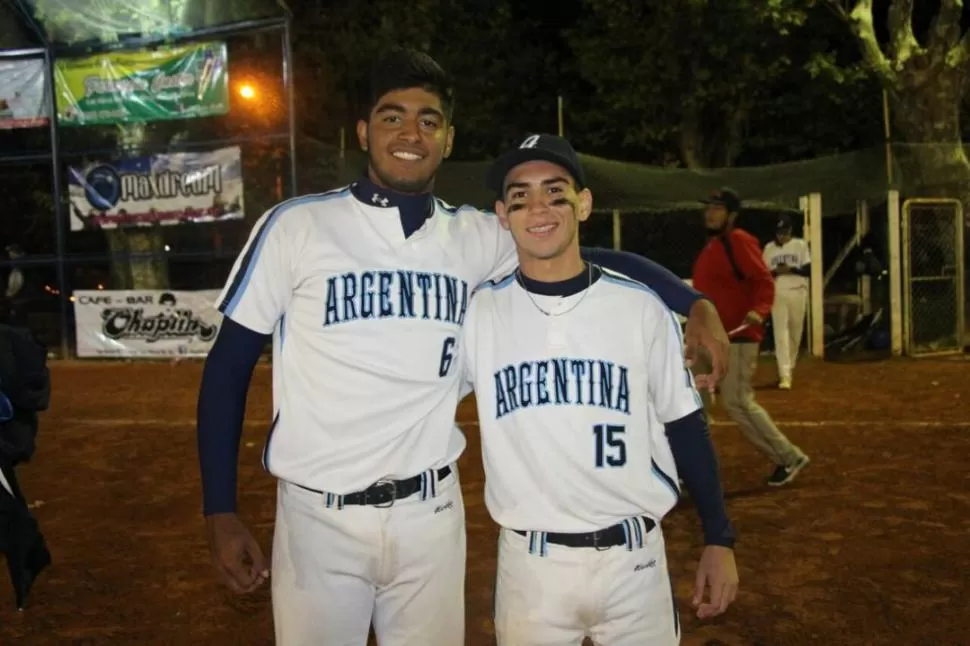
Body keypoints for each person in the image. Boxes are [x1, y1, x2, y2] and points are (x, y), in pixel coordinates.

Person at [196, 47, 730, 645]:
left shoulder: (476, 236)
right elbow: (228, 369)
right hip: (318, 519)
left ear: (448, 139)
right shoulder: (296, 228)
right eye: (392, 116)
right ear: (364, 131)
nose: (410, 133)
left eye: (429, 120)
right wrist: (219, 508)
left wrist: (693, 302)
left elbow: (581, 258)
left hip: (431, 516)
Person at [462, 135, 738, 645]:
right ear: (502, 215)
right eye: (520, 197)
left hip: (634, 564)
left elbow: (684, 424)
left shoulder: (639, 307)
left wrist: (719, 537)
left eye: (555, 192)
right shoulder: (477, 314)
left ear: (584, 203)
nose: (538, 208)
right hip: (530, 568)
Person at [692, 188, 810, 487]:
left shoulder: (739, 242)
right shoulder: (712, 247)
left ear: (731, 215)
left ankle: (788, 457)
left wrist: (758, 311)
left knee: (737, 402)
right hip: (710, 337)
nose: (710, 213)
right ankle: (692, 466)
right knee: (692, 400)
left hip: (738, 337)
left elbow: (764, 282)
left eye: (718, 208)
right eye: (709, 207)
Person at [762, 214, 810, 389]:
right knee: (780, 333)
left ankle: (789, 367)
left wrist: (791, 269)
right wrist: (777, 271)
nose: (781, 235)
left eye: (784, 231)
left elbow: (807, 269)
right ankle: (785, 374)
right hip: (778, 292)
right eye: (778, 232)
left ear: (790, 230)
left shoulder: (800, 245)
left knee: (795, 332)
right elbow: (764, 273)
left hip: (798, 291)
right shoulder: (769, 249)